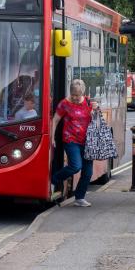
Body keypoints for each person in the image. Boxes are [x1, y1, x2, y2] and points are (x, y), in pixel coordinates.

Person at [50, 79, 98, 207]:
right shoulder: (64, 104)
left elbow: (95, 119)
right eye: (73, 94)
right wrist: (52, 137)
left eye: (78, 95)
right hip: (70, 140)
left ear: (83, 93)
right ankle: (54, 179)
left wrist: (95, 109)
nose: (75, 97)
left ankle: (80, 198)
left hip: (88, 141)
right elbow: (55, 120)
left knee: (88, 172)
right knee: (76, 166)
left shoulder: (88, 102)